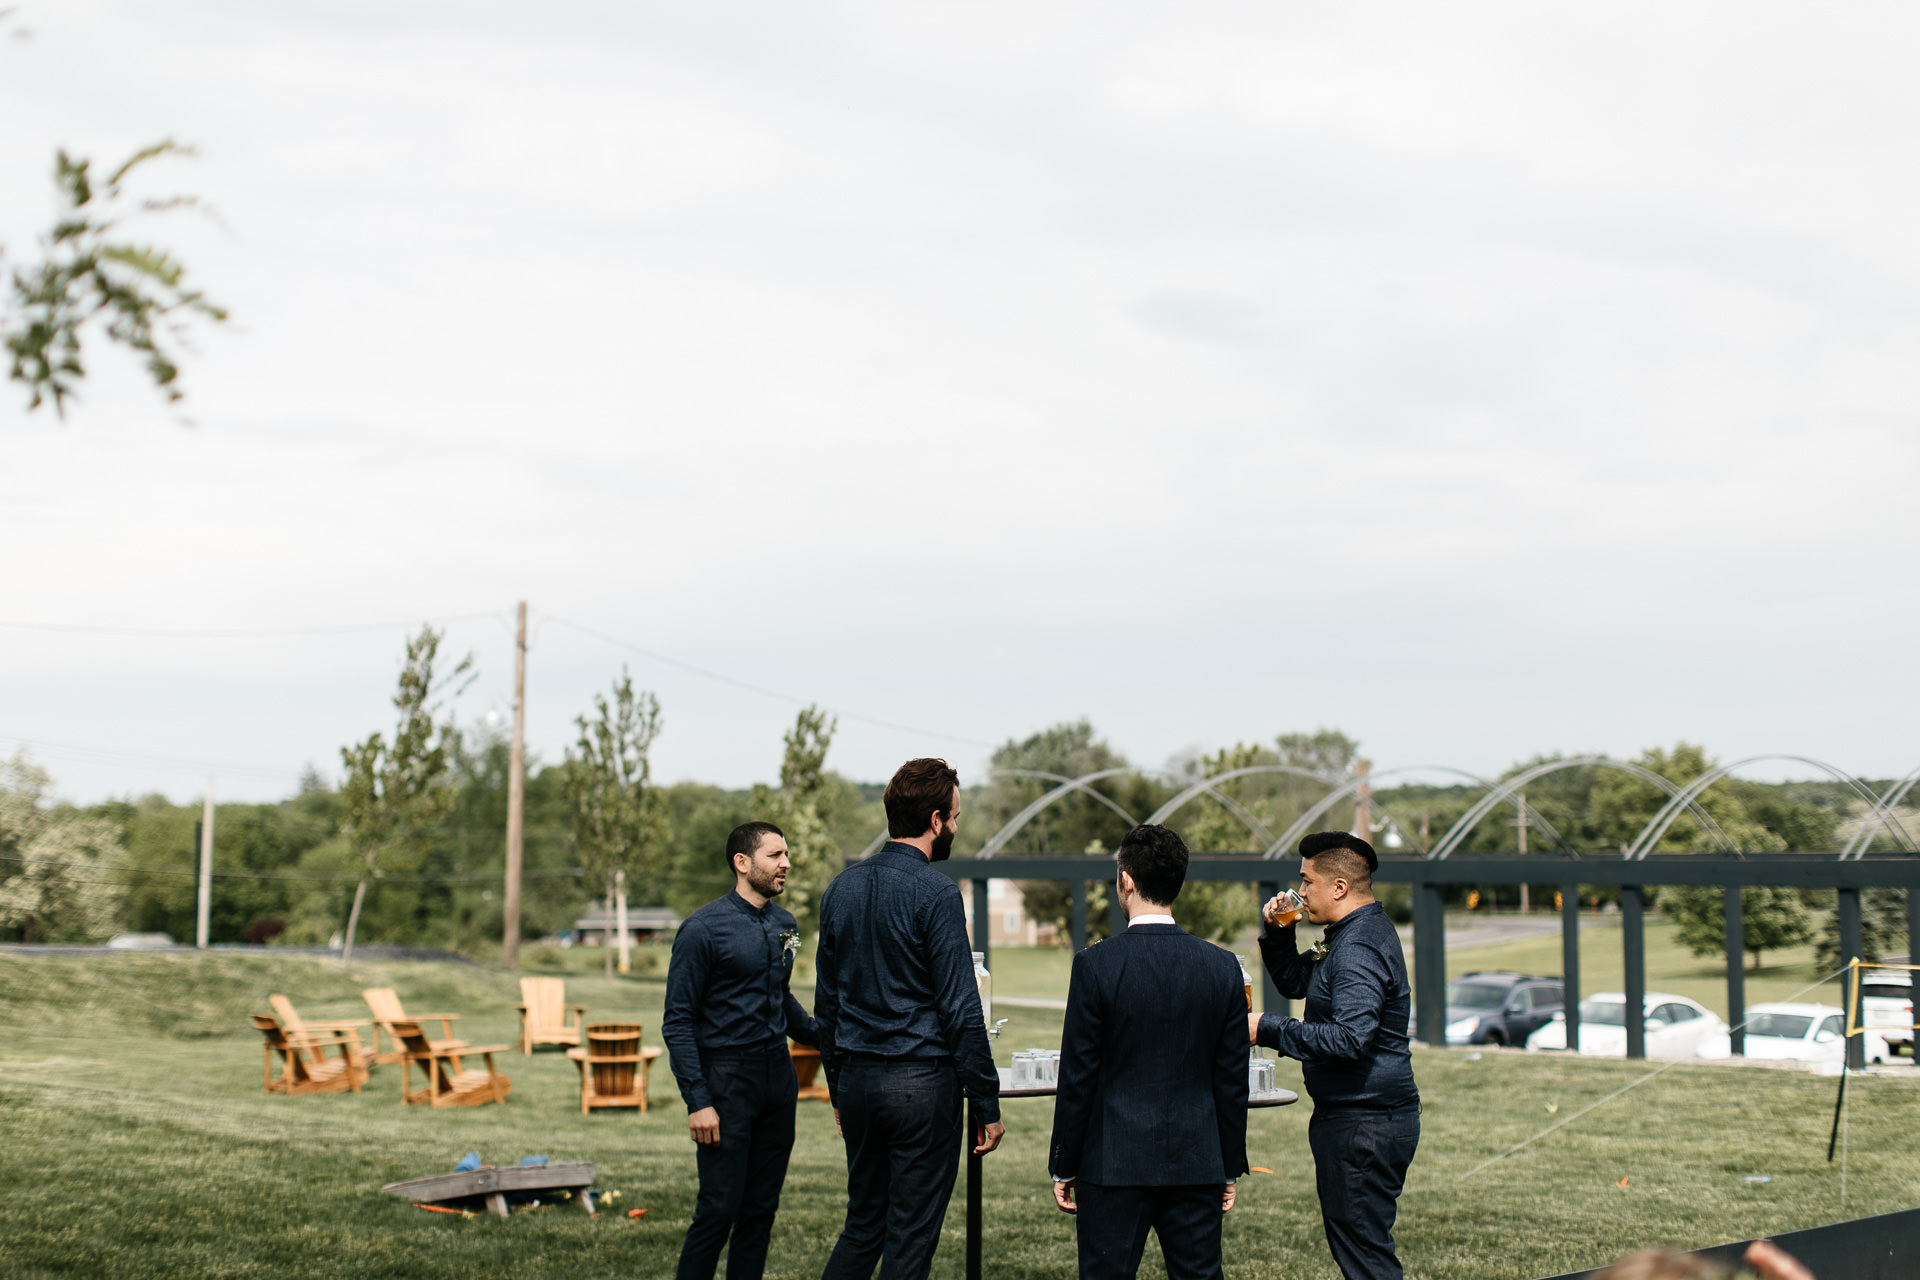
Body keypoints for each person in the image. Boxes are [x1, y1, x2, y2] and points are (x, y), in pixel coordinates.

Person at [813, 757, 1004, 1280]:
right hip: (920, 1086)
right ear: (937, 819)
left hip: (857, 1082)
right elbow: (961, 1007)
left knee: (862, 1225)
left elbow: (825, 1006)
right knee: (910, 1238)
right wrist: (986, 1101)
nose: (957, 829)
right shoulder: (938, 893)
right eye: (956, 818)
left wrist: (837, 1088)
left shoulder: (840, 889)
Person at [1048, 824, 1248, 1280]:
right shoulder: (1222, 967)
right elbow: (1231, 1080)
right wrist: (1229, 1164)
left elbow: (1079, 1075)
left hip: (1112, 1163)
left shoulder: (1095, 964)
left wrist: (1064, 1163)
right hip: (1198, 1162)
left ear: (1127, 881)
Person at [1249, 831, 1417, 1280]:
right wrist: (1278, 933)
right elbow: (1296, 983)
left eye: (1306, 881)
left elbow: (1349, 1040)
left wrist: (1266, 1027)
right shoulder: (1349, 934)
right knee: (1362, 1250)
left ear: (1338, 887)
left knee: (1366, 1260)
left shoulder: (1358, 947)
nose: (1299, 892)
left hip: (1364, 1123)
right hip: (1362, 1118)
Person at [661, 821, 817, 1280]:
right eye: (775, 855)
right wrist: (698, 1101)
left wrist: (823, 1035)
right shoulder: (701, 930)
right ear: (742, 863)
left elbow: (780, 996)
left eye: (787, 854)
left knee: (760, 1211)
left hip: (777, 1080)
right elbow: (678, 1021)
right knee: (718, 1209)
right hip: (726, 1083)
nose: (786, 863)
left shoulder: (787, 925)